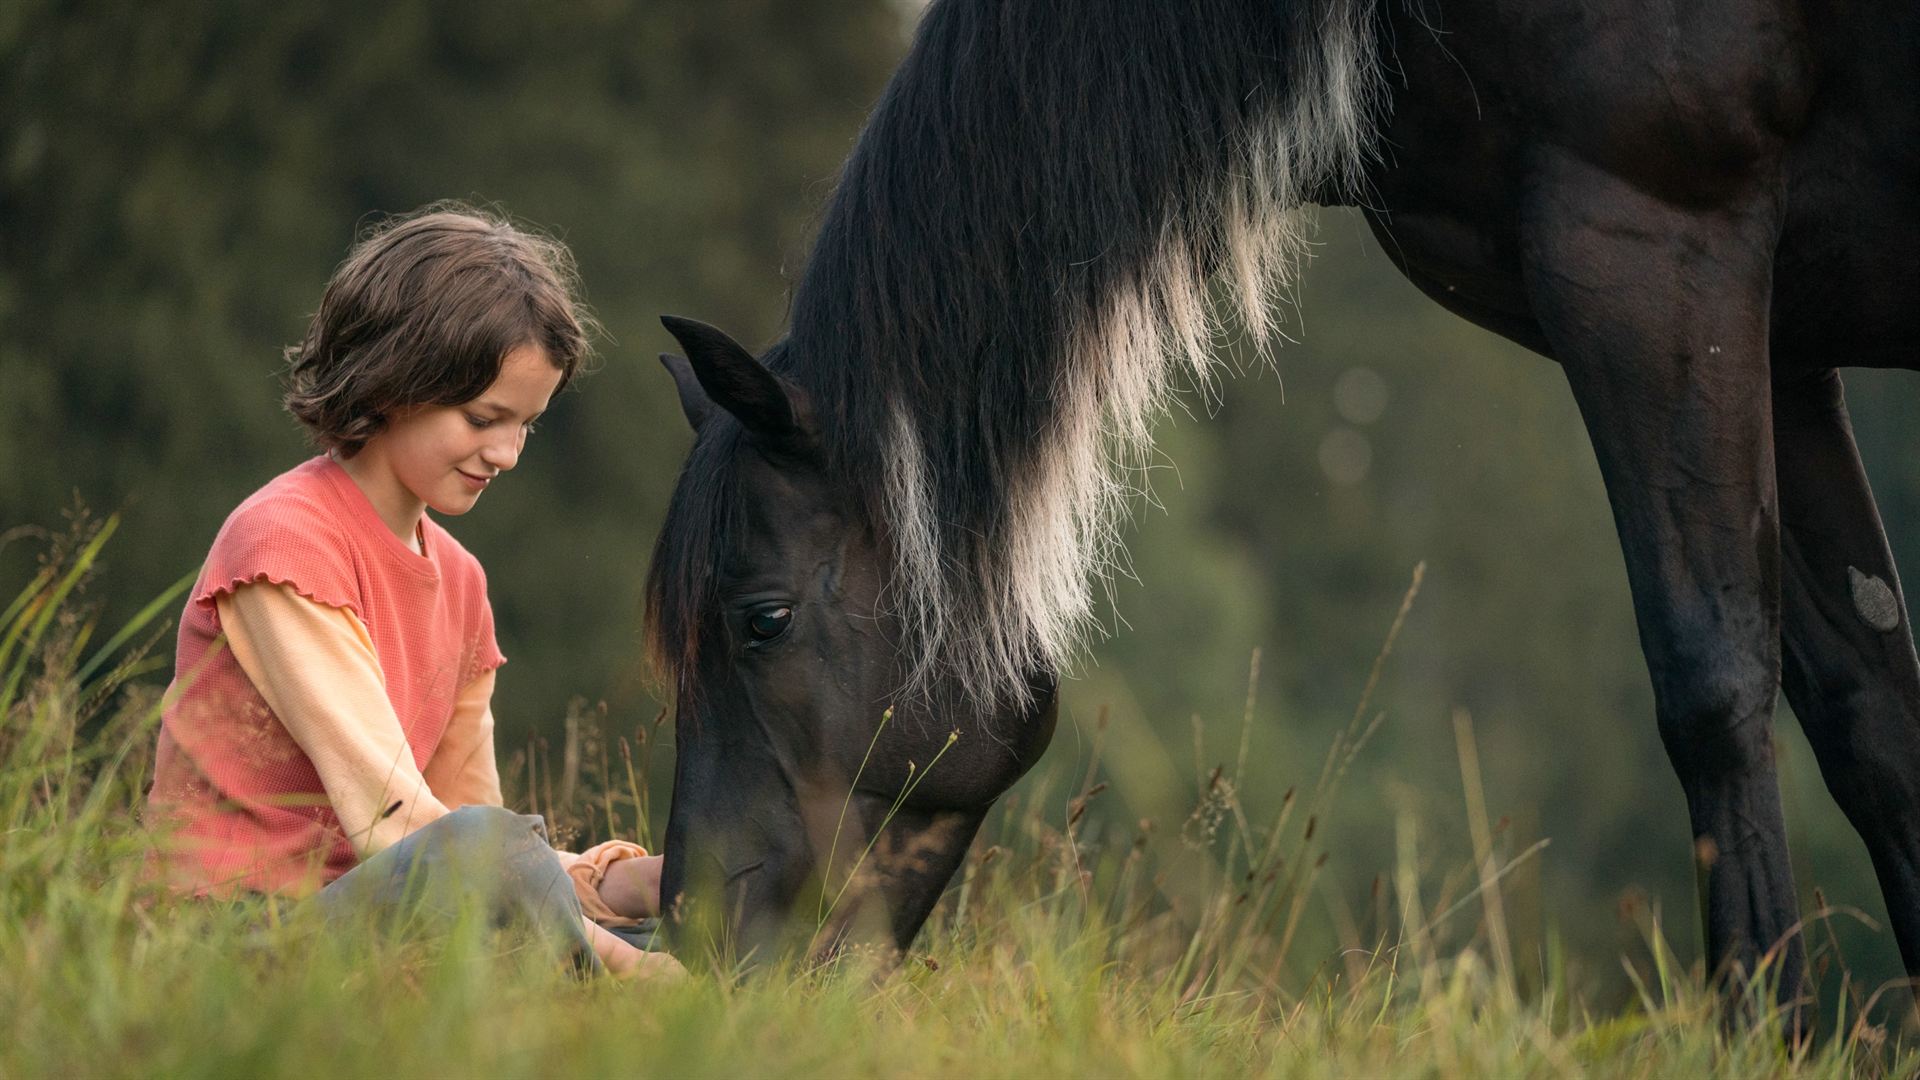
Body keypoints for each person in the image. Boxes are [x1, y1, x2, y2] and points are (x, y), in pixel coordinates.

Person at [145, 203, 679, 980]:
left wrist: (636, 884)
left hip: (382, 921)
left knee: (708, 941)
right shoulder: (285, 544)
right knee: (594, 936)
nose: (507, 453)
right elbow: (405, 830)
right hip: (234, 939)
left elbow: (482, 841)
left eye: (526, 424)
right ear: (395, 383)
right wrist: (623, 967)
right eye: (482, 418)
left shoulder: (461, 579)